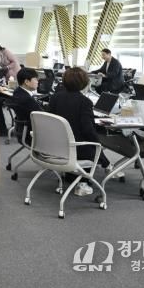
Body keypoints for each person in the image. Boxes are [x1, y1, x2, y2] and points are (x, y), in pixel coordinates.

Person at [48, 67, 116, 196]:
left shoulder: (55, 98)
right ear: (84, 83)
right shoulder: (85, 102)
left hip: (56, 146)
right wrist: (98, 143)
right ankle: (84, 182)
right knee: (93, 144)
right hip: (75, 149)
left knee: (86, 140)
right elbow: (87, 130)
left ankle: (105, 165)